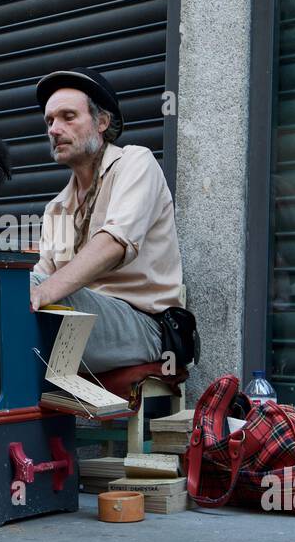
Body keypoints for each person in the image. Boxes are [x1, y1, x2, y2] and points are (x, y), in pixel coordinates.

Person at [29, 68, 184, 373]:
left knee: (23, 295)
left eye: (68, 116)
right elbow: (43, 273)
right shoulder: (57, 207)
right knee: (5, 291)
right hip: (84, 322)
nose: (54, 129)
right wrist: (33, 290)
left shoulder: (136, 163)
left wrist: (43, 292)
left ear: (102, 122)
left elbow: (114, 243)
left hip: (143, 328)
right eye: (49, 121)